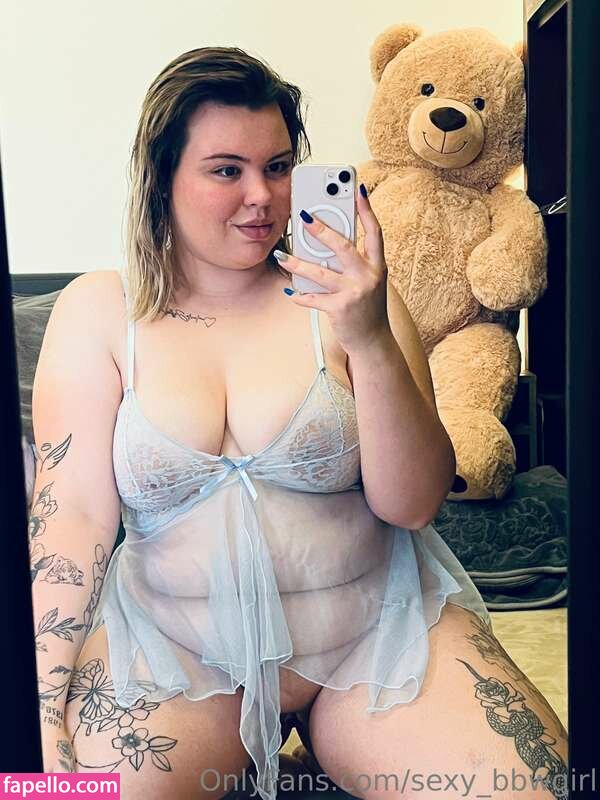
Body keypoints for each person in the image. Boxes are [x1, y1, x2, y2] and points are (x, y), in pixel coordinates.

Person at [31, 46, 567, 799]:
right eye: (227, 170)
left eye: (279, 167)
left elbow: (413, 504)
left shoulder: (355, 302)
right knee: (53, 795)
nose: (262, 197)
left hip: (368, 640)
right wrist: (41, 706)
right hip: (176, 656)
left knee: (535, 790)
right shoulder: (99, 311)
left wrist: (370, 336)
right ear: (161, 178)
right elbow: (71, 519)